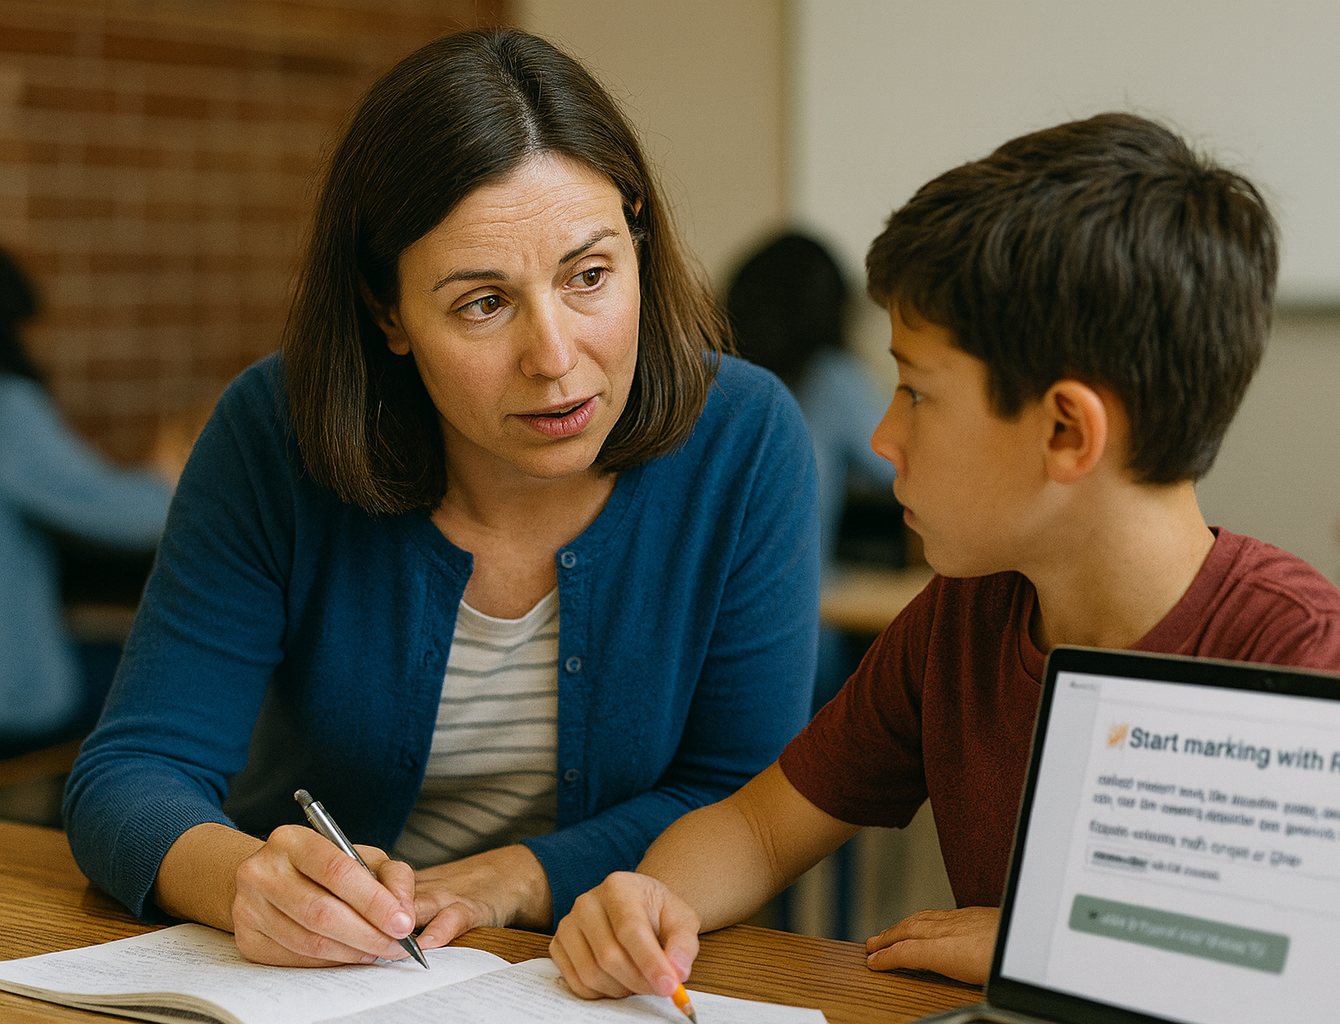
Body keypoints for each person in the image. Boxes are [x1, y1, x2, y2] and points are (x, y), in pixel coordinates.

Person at [551, 113, 1340, 989]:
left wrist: (1054, 944)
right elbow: (761, 829)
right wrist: (646, 898)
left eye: (917, 392)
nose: (884, 437)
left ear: (1066, 430)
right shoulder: (967, 617)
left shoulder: (1299, 651)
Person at [62, 28, 818, 969]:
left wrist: (517, 876)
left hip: (592, 975)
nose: (554, 357)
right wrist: (244, 881)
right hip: (321, 980)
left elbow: (743, 797)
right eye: (482, 304)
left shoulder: (744, 437)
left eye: (589, 276)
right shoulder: (273, 431)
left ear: (639, 237)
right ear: (388, 313)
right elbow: (131, 775)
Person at [0, 247, 176, 753]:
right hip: (14, 702)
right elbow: (133, 518)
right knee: (181, 686)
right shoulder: (9, 411)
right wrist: (177, 477)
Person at [725, 232, 898, 707]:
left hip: (714, 634)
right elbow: (901, 467)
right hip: (806, 640)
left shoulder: (712, 378)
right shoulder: (832, 379)